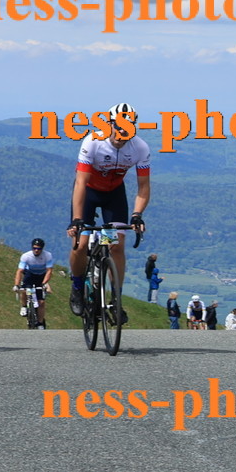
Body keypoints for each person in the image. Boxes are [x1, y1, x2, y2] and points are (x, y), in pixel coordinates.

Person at [67, 103, 150, 322]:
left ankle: (116, 299)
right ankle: (77, 287)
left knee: (116, 246)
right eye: (118, 126)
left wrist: (137, 215)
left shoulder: (140, 148)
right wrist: (76, 220)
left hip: (114, 196)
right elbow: (80, 183)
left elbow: (143, 187)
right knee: (81, 244)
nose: (122, 133)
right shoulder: (93, 141)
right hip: (89, 194)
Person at [14, 237, 54, 328]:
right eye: (34, 248)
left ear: (42, 249)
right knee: (24, 289)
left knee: (41, 302)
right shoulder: (26, 256)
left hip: (41, 276)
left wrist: (44, 283)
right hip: (30, 274)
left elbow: (49, 271)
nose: (36, 250)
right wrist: (16, 285)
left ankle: (40, 323)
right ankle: (24, 306)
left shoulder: (47, 256)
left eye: (39, 249)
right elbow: (19, 271)